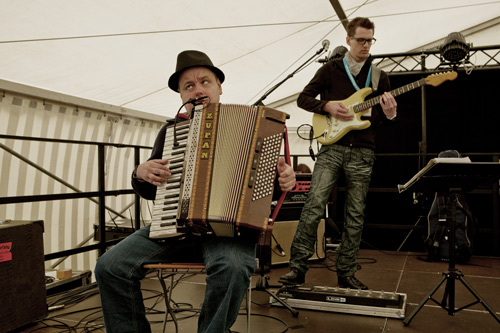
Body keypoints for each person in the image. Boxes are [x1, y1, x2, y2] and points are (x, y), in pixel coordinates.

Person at [95, 50, 296, 333]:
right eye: (188, 86)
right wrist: (139, 173)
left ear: (219, 87)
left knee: (233, 268)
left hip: (229, 233)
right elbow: (151, 192)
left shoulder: (257, 126)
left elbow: (267, 188)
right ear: (180, 95)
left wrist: (283, 179)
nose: (197, 90)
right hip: (175, 230)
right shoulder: (170, 132)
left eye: (205, 82)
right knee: (109, 266)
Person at [279, 17, 397, 290]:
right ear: (348, 40)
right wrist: (327, 107)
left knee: (355, 214)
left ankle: (346, 272)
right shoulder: (330, 69)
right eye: (361, 40)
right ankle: (297, 269)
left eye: (370, 40)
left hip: (363, 152)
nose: (366, 45)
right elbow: (303, 98)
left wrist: (390, 114)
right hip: (331, 147)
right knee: (313, 206)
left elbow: (380, 119)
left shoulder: (380, 76)